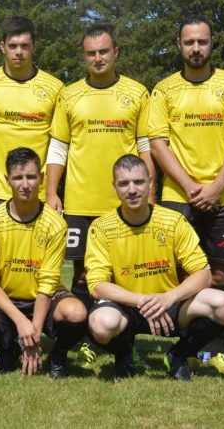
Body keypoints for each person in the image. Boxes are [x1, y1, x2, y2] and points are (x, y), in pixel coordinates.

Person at [148, 14, 224, 371]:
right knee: (181, 276)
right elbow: (158, 144)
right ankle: (185, 349)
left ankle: (214, 349)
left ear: (212, 43)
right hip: (179, 197)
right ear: (179, 45)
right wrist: (191, 186)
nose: (196, 48)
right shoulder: (164, 90)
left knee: (221, 276)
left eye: (202, 42)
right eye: (189, 42)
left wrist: (217, 186)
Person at [85, 154, 224, 381]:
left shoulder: (173, 221)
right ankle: (124, 353)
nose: (132, 190)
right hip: (127, 307)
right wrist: (142, 301)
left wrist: (168, 298)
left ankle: (179, 355)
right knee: (101, 324)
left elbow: (204, 274)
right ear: (114, 187)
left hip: (169, 305)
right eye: (124, 183)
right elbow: (97, 286)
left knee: (223, 304)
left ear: (150, 183)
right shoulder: (101, 228)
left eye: (138, 182)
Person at [46, 23, 155, 308]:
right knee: (82, 276)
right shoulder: (69, 95)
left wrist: (151, 192)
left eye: (104, 51)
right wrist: (51, 192)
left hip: (124, 202)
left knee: (125, 272)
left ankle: (119, 330)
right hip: (80, 203)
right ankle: (84, 332)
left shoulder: (138, 93)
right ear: (84, 56)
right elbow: (58, 148)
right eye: (91, 53)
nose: (98, 58)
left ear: (116, 52)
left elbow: (145, 147)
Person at [0, 147, 88, 378]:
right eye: (18, 177)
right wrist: (20, 321)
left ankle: (58, 354)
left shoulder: (55, 224)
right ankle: (8, 348)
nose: (25, 184)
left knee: (77, 312)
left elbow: (48, 282)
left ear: (41, 178)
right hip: (8, 299)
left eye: (31, 176)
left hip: (44, 298)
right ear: (7, 180)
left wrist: (34, 334)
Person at [0, 16, 64, 225]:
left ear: (35, 47)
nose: (19, 52)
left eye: (25, 46)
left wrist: (51, 192)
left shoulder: (55, 88)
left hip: (38, 194)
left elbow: (60, 144)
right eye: (13, 46)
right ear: (2, 47)